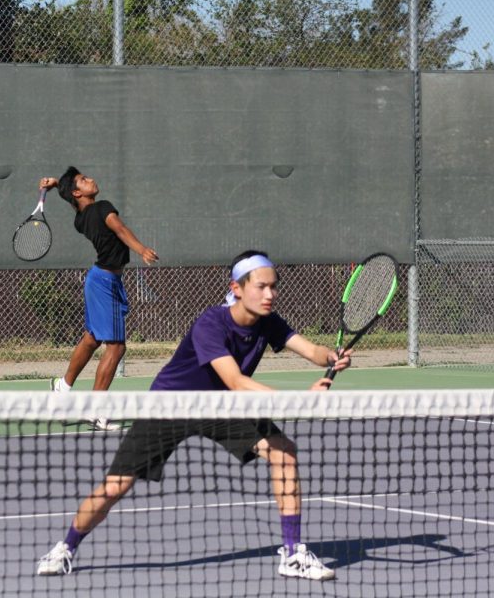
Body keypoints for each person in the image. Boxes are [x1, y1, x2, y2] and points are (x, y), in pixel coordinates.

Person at [36, 250, 353, 581]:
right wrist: (300, 401)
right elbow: (236, 381)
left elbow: (308, 349)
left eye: (274, 287)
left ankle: (292, 554)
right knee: (116, 486)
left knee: (283, 452)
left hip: (224, 407)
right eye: (261, 286)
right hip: (172, 405)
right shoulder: (211, 323)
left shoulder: (268, 322)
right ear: (238, 287)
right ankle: (66, 546)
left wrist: (329, 356)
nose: (270, 294)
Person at [39, 168, 159, 431]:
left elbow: (75, 200)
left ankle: (63, 385)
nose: (91, 178)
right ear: (78, 192)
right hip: (104, 283)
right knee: (116, 347)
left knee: (92, 338)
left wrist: (58, 183)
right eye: (84, 180)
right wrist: (141, 249)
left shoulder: (80, 218)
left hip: (99, 280)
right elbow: (120, 228)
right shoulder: (102, 207)